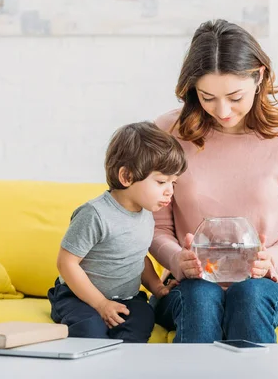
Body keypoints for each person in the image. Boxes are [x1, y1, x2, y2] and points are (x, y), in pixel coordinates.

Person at [150, 19, 278, 343]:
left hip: (272, 285)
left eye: (234, 96)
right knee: (200, 296)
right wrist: (177, 260)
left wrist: (272, 259)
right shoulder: (167, 132)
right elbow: (158, 229)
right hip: (190, 285)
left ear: (258, 77)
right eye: (207, 97)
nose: (222, 110)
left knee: (249, 295)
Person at [48, 121, 187, 343]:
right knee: (89, 329)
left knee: (142, 320)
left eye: (173, 183)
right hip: (79, 298)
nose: (169, 191)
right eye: (161, 181)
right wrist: (101, 304)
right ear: (127, 177)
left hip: (127, 298)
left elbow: (139, 258)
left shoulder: (146, 214)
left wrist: (157, 287)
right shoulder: (95, 214)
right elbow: (67, 264)